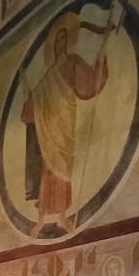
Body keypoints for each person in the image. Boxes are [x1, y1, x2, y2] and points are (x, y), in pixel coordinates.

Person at [20, 12, 111, 239]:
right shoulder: (50, 73)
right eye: (57, 39)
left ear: (69, 41)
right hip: (49, 130)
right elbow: (36, 101)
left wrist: (103, 48)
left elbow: (89, 82)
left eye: (63, 38)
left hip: (65, 123)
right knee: (47, 170)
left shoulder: (73, 62)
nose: (60, 42)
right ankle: (41, 219)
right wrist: (25, 86)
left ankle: (61, 215)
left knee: (63, 170)